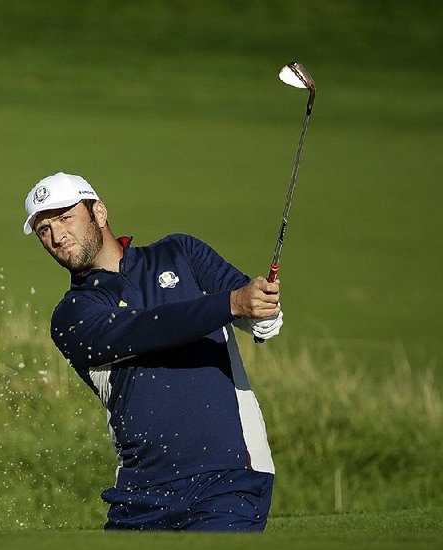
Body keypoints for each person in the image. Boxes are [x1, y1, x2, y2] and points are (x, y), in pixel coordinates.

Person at [22, 172, 284, 531]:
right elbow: (148, 328)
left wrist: (263, 311)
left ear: (99, 213)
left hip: (230, 476)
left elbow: (252, 312)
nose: (57, 236)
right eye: (44, 230)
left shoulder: (181, 253)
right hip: (140, 495)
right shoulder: (71, 316)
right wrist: (232, 304)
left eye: (65, 218)